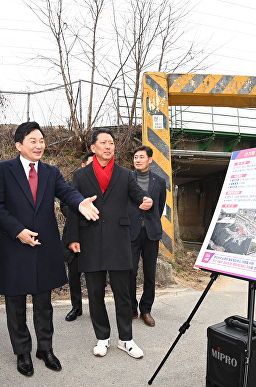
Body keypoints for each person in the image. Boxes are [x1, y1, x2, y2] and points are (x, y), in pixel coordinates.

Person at [0, 122, 99, 377]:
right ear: (18, 145)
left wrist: (80, 203)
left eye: (41, 140)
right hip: (15, 245)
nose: (39, 146)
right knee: (15, 303)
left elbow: (67, 193)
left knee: (43, 302)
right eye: (33, 141)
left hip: (43, 247)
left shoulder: (51, 172)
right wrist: (18, 231)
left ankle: (45, 348)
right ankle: (22, 351)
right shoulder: (3, 170)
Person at [66, 128, 153, 359]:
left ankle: (126, 339)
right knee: (95, 293)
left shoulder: (125, 174)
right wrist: (73, 237)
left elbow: (137, 194)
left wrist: (145, 200)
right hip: (90, 240)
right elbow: (72, 207)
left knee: (122, 294)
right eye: (103, 143)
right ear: (93, 148)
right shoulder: (81, 176)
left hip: (118, 241)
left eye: (111, 143)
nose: (108, 146)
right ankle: (102, 338)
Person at [129, 146, 166, 327]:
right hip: (132, 233)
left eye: (141, 157)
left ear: (150, 160)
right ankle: (131, 308)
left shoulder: (159, 181)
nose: (137, 160)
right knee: (131, 272)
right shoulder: (127, 179)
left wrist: (151, 221)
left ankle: (146, 310)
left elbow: (159, 206)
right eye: (135, 157)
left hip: (151, 232)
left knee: (149, 274)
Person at [61, 150, 94, 322]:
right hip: (74, 235)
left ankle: (96, 307)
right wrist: (81, 211)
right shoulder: (70, 184)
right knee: (73, 275)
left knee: (94, 276)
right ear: (82, 165)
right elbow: (64, 207)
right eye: (89, 164)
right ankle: (76, 307)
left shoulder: (100, 186)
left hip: (93, 237)